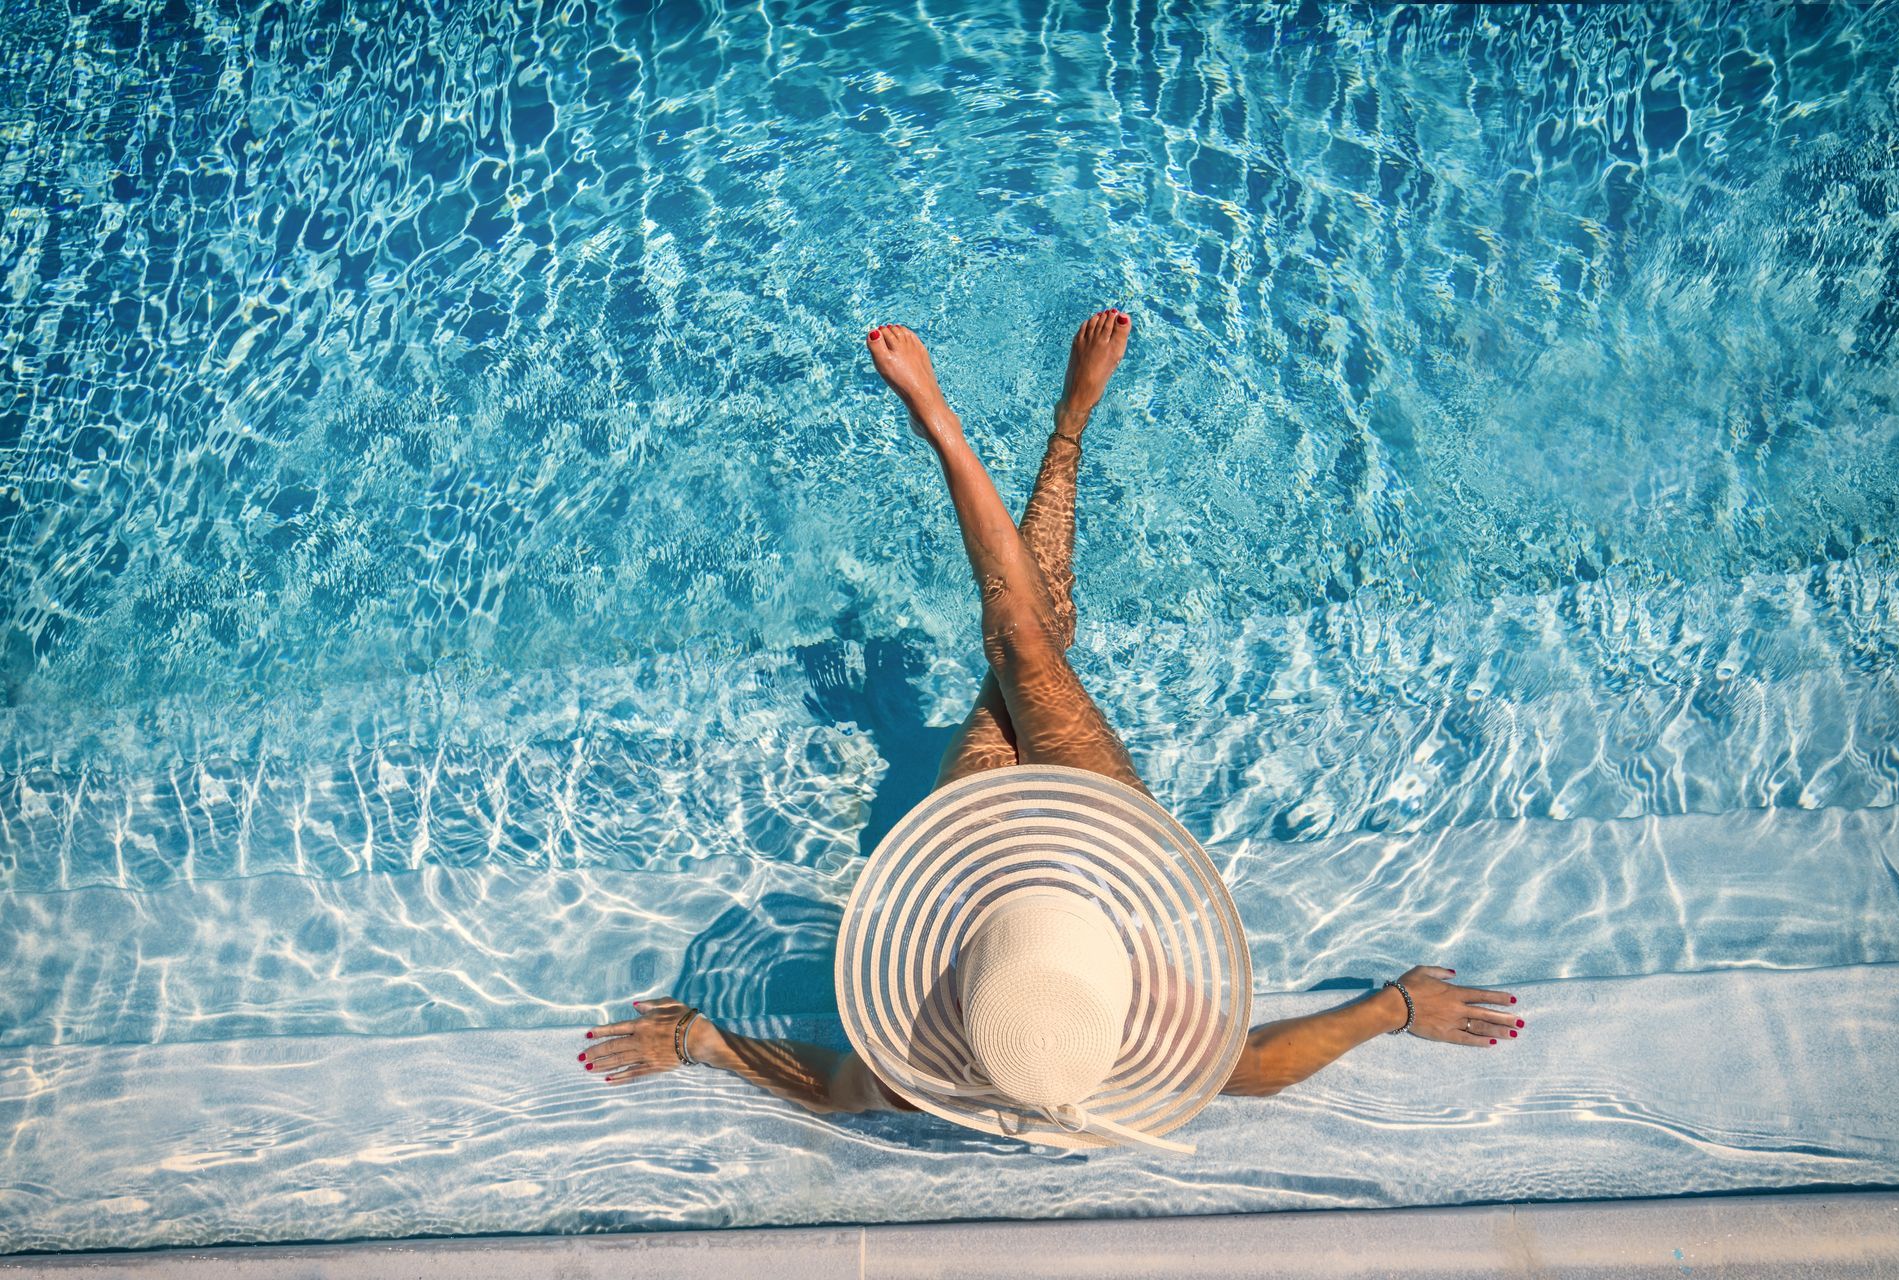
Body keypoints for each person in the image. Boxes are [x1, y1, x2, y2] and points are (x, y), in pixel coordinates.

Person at [578, 312, 1523, 1149]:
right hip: (1097, 834)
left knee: (1023, 644)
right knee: (1030, 642)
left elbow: (831, 1088)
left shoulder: (935, 1075)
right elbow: (1260, 1064)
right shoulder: (1146, 1047)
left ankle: (958, 432)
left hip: (976, 841)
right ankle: (1057, 429)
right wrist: (1395, 1006)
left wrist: (698, 1040)